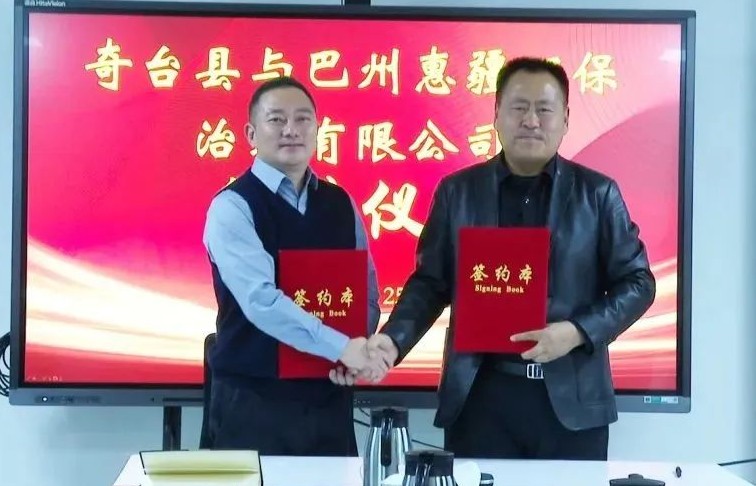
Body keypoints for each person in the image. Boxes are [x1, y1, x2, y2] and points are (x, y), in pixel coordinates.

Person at [365, 57, 656, 460]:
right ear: (497, 114)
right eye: (519, 107)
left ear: (565, 119)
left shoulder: (597, 194)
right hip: (481, 398)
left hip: (571, 404)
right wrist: (392, 340)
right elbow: (430, 283)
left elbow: (638, 283)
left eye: (544, 109)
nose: (531, 121)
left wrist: (577, 332)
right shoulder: (458, 192)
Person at [203, 76, 383, 456]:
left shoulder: (340, 202)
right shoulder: (232, 207)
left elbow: (365, 291)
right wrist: (342, 347)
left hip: (329, 397)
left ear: (318, 130)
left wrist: (354, 354)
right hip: (254, 403)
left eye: (303, 119)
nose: (291, 130)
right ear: (251, 133)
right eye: (276, 119)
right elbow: (261, 302)